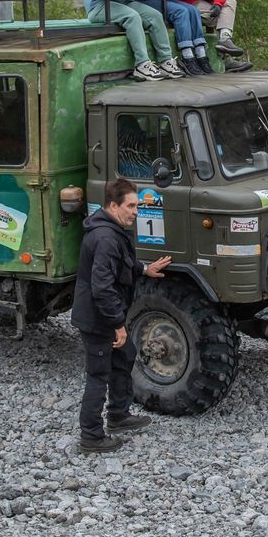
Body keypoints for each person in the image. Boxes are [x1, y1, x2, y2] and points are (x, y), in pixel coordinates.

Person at [72, 178, 171, 452]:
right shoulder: (104, 238)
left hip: (106, 315)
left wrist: (144, 269)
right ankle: (91, 437)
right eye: (131, 206)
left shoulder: (113, 230)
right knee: (97, 375)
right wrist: (118, 325)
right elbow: (102, 287)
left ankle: (118, 415)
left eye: (137, 205)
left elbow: (121, 264)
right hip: (97, 319)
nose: (136, 212)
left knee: (125, 355)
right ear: (113, 205)